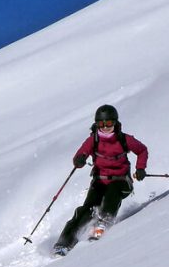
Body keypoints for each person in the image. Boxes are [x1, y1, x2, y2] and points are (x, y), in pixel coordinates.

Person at [53, 104, 148, 255]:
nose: (105, 127)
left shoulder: (124, 139)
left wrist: (140, 168)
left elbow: (142, 150)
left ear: (115, 122)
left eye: (109, 123)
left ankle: (102, 225)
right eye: (101, 124)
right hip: (100, 180)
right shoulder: (93, 140)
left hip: (121, 181)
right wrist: (80, 159)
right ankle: (64, 242)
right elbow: (81, 153)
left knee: (112, 193)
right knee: (86, 209)